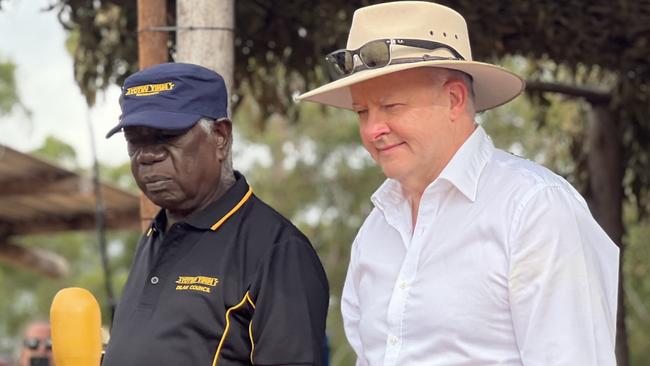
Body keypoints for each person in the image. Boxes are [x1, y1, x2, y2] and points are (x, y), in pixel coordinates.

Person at [298, 2, 619, 365]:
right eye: (362, 111)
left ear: (454, 99)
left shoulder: (534, 210)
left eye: (392, 106)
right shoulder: (375, 232)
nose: (373, 130)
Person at [102, 62, 329, 366]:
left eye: (165, 137)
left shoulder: (277, 251)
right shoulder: (155, 235)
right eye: (134, 140)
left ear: (220, 137)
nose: (147, 156)